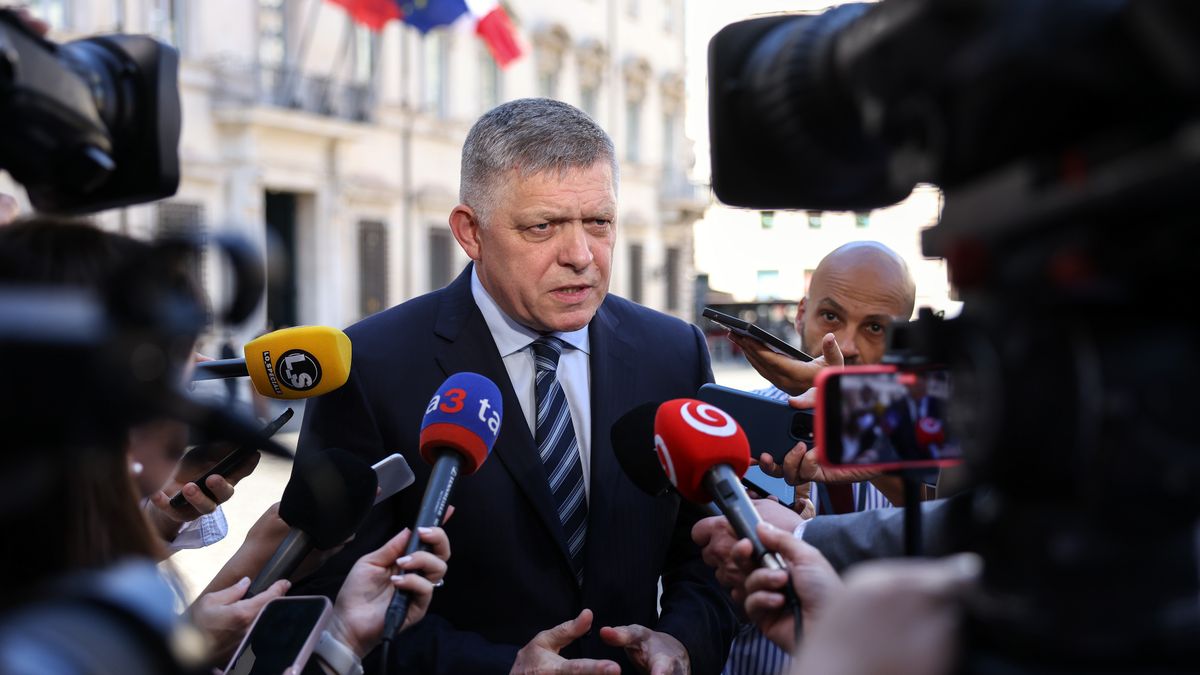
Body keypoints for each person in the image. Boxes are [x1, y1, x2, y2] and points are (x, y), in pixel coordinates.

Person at [297, 98, 736, 675]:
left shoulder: (672, 351)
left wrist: (682, 643)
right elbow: (330, 596)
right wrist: (502, 669)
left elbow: (709, 553)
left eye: (599, 222)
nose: (580, 256)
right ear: (470, 232)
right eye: (543, 227)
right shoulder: (370, 366)